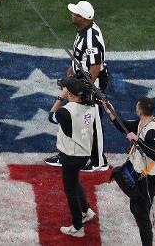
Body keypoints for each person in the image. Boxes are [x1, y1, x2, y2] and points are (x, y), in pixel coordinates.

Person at [45, 1, 108, 171]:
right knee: (74, 116)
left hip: (92, 83)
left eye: (75, 14)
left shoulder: (91, 38)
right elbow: (84, 58)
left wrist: (86, 88)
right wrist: (73, 68)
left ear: (82, 18)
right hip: (81, 78)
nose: (72, 15)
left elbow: (95, 66)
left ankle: (98, 161)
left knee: (93, 120)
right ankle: (67, 153)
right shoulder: (85, 30)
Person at [103, 97, 155, 246]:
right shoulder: (141, 123)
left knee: (142, 216)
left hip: (150, 178)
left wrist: (137, 141)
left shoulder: (153, 131)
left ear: (140, 111)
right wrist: (111, 113)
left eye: (137, 107)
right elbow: (124, 125)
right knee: (135, 208)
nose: (135, 108)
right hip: (139, 173)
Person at [48, 77, 98, 238]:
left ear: (69, 93)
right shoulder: (91, 107)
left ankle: (77, 226)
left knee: (70, 190)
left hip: (71, 154)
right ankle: (86, 211)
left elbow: (51, 116)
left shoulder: (65, 111)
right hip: (84, 152)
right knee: (75, 182)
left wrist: (60, 97)